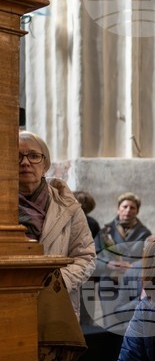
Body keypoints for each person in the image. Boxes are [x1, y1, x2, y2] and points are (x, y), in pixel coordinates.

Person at [18, 131, 96, 316]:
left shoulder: (68, 206)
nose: (25, 162)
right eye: (17, 156)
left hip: (55, 305)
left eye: (34, 156)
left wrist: (56, 283)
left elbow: (85, 256)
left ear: (45, 164)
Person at [96, 191, 152, 272]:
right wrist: (107, 264)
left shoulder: (145, 234)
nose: (128, 210)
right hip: (109, 276)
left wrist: (134, 267)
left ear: (137, 211)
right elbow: (93, 257)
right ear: (118, 209)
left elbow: (149, 259)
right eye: (125, 207)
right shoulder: (105, 232)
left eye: (132, 208)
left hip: (134, 276)